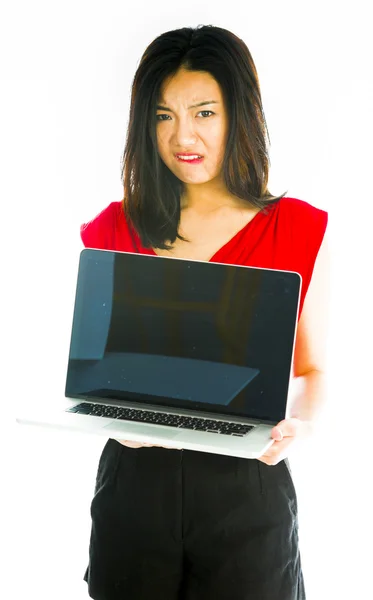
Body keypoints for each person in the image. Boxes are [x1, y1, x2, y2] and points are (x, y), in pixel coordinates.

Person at [81, 25, 329, 600]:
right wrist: (114, 418)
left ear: (239, 114)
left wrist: (302, 425)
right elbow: (92, 368)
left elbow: (315, 370)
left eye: (204, 112)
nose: (181, 135)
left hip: (247, 487)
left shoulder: (296, 228)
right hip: (134, 486)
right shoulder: (115, 228)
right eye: (163, 115)